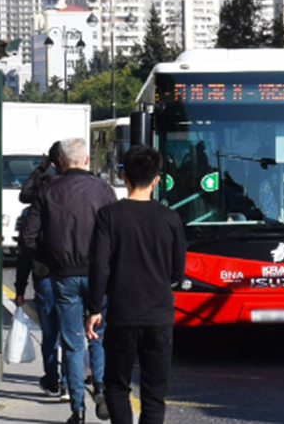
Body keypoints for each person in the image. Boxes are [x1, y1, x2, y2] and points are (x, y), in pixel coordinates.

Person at [86, 145, 186, 424]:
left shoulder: (109, 215)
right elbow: (178, 271)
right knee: (154, 393)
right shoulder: (171, 218)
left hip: (122, 315)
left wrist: (94, 308)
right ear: (156, 180)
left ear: (124, 177)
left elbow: (99, 265)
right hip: (159, 315)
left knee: (117, 385)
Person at [22, 137, 117, 424]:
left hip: (63, 275)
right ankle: (100, 387)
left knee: (73, 342)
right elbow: (115, 232)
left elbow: (28, 236)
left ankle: (78, 409)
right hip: (99, 272)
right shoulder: (104, 190)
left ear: (60, 162)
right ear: (86, 160)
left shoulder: (48, 191)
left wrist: (49, 258)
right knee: (99, 333)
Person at [15, 141, 68, 400]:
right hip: (70, 273)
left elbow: (25, 252)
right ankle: (70, 380)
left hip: (44, 275)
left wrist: (19, 289)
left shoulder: (31, 212)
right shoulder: (68, 201)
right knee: (71, 331)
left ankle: (52, 379)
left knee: (50, 332)